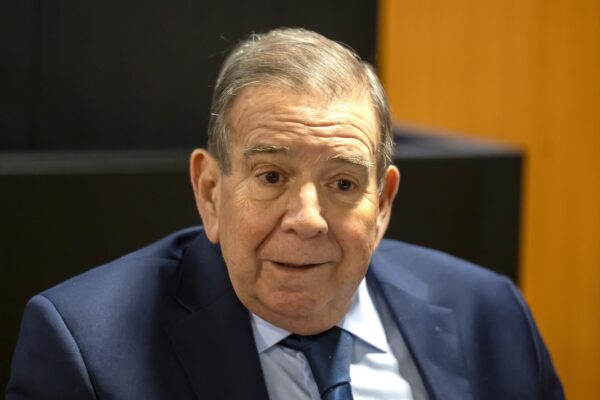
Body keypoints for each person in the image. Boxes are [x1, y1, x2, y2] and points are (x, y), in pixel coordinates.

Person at [7, 28, 563, 400]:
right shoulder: (87, 350)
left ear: (382, 203)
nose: (308, 219)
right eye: (272, 176)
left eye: (343, 183)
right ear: (210, 191)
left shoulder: (492, 316)